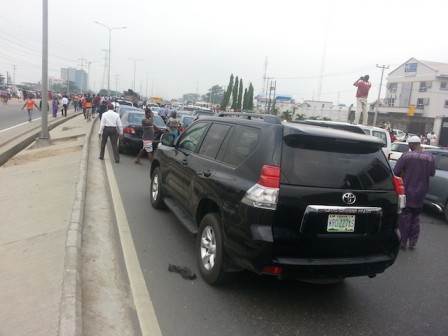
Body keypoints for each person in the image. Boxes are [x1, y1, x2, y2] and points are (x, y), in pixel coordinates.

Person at [393, 135, 435, 250]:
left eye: (409, 144)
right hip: (422, 192)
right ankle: (413, 241)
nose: (409, 146)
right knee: (416, 217)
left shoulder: (406, 156)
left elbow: (396, 171)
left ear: (412, 144)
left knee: (405, 216)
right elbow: (432, 173)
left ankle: (403, 241)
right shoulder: (430, 157)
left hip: (408, 190)